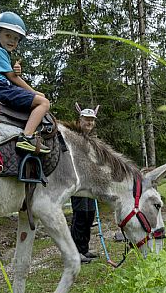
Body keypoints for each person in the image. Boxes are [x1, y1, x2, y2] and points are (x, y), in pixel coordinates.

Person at [0, 11, 50, 154]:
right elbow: (13, 78)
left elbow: (11, 74)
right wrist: (34, 92)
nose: (12, 40)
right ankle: (27, 137)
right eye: (8, 35)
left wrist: (15, 70)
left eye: (16, 38)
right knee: (43, 103)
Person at [70, 103, 100, 263]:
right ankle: (75, 252)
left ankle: (84, 249)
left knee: (89, 215)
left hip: (90, 183)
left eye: (92, 120)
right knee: (80, 215)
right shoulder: (74, 136)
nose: (89, 123)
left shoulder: (91, 139)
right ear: (80, 120)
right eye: (86, 120)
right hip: (78, 182)